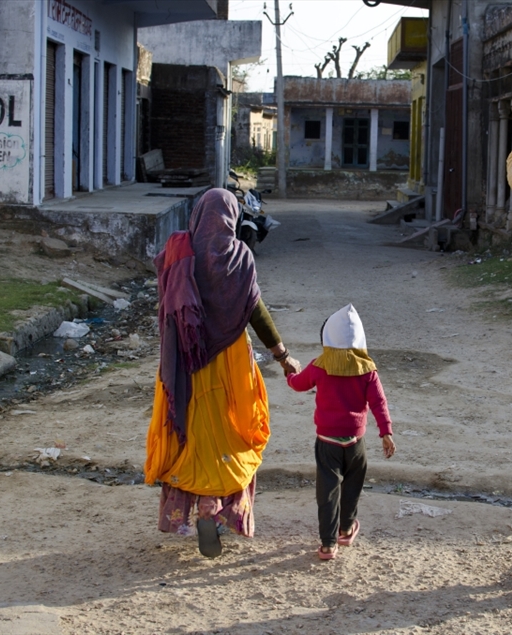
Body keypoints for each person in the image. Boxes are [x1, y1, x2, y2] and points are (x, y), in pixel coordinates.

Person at [144, 188, 301, 558]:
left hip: (186, 361)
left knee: (194, 436)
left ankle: (195, 508)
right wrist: (283, 356)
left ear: (197, 216)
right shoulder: (237, 259)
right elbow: (257, 312)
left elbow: (168, 308)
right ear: (231, 219)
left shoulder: (177, 254)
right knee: (232, 435)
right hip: (230, 363)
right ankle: (215, 512)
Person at [284, 304, 396, 560]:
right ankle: (347, 528)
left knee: (328, 493)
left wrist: (290, 375)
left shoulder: (320, 365)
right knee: (352, 488)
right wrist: (386, 433)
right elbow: (379, 403)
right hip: (356, 443)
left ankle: (327, 544)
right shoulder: (367, 369)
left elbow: (298, 384)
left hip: (327, 442)